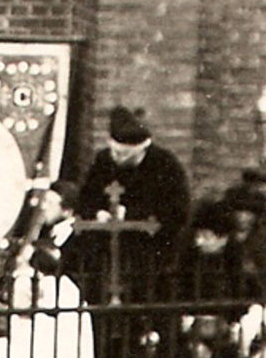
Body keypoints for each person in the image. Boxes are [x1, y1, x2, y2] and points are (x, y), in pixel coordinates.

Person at [72, 106, 192, 299]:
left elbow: (176, 211)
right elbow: (86, 199)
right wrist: (97, 213)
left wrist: (130, 215)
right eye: (115, 153)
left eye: (125, 155)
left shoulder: (165, 165)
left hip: (148, 256)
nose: (117, 159)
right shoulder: (103, 161)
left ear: (142, 149)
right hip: (106, 256)